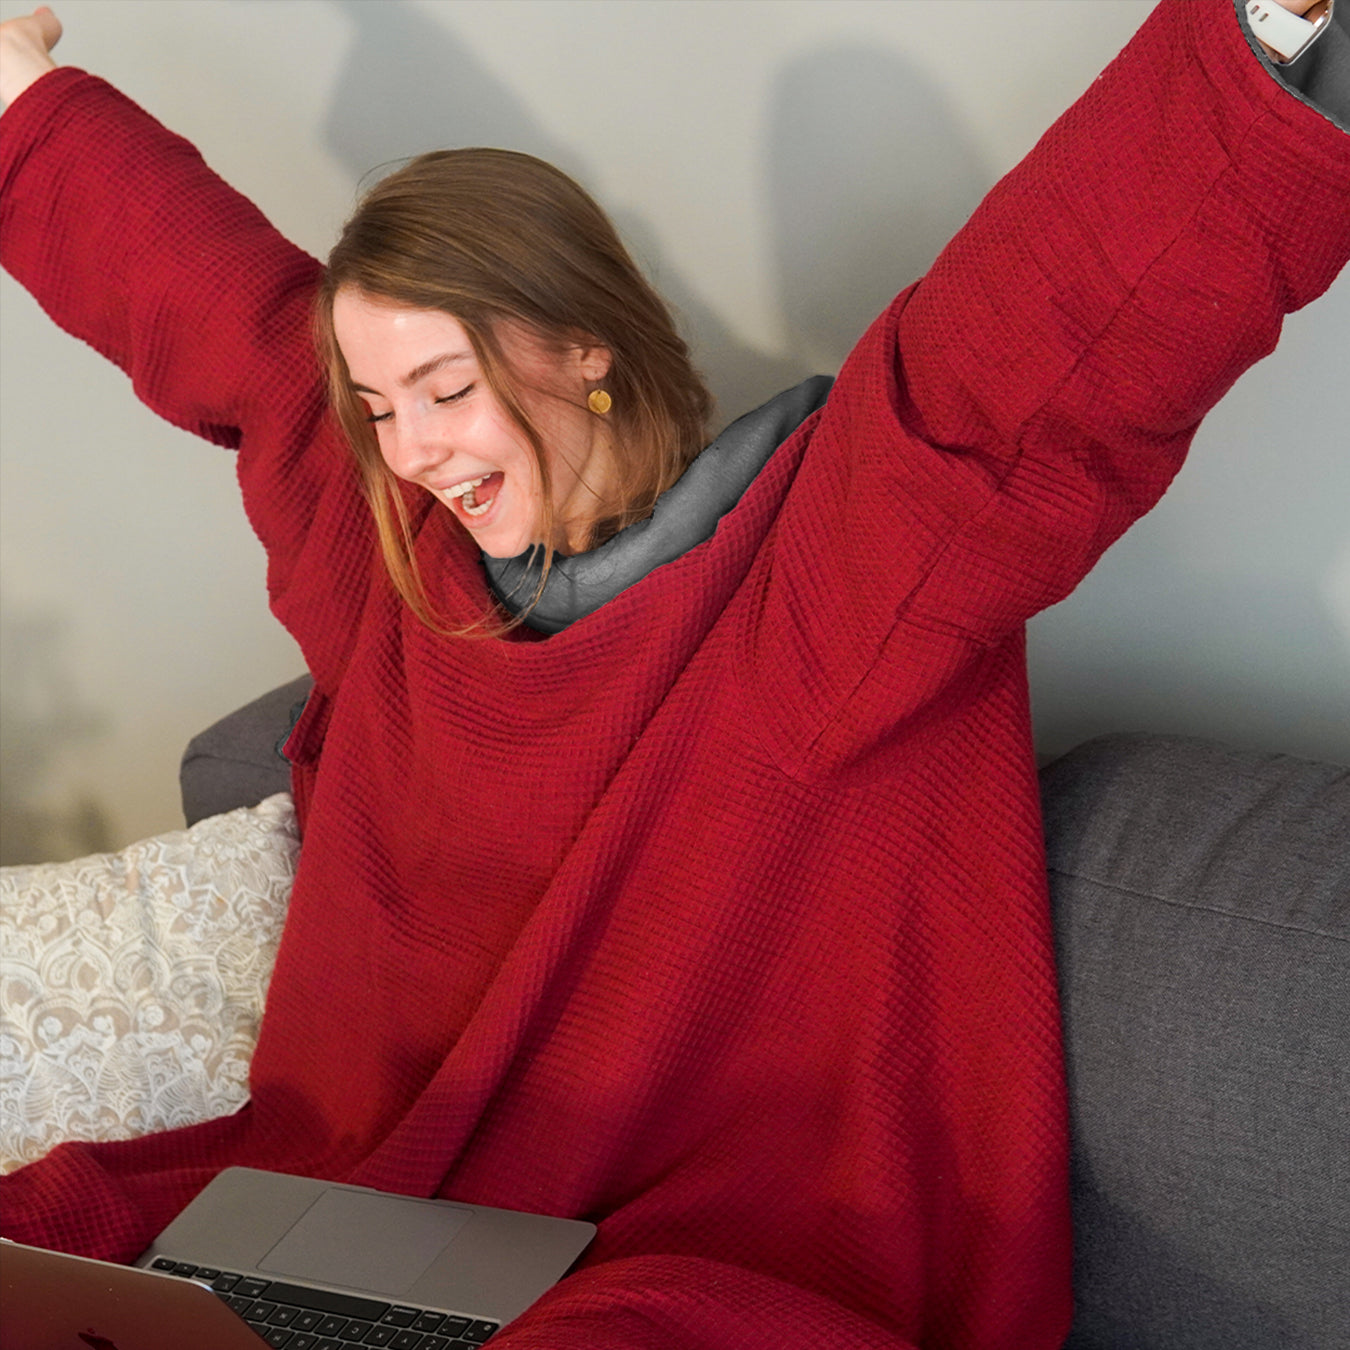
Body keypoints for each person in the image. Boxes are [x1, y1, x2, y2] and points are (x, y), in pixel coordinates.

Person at [0, 2, 1346, 1346]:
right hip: (351, 1221)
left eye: (447, 387)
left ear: (583, 344)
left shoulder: (816, 578)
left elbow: (1028, 365)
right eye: (379, 406)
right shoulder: (394, 567)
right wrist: (19, 104)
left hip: (703, 1278)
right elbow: (228, 321)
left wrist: (1257, 36)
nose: (409, 449)